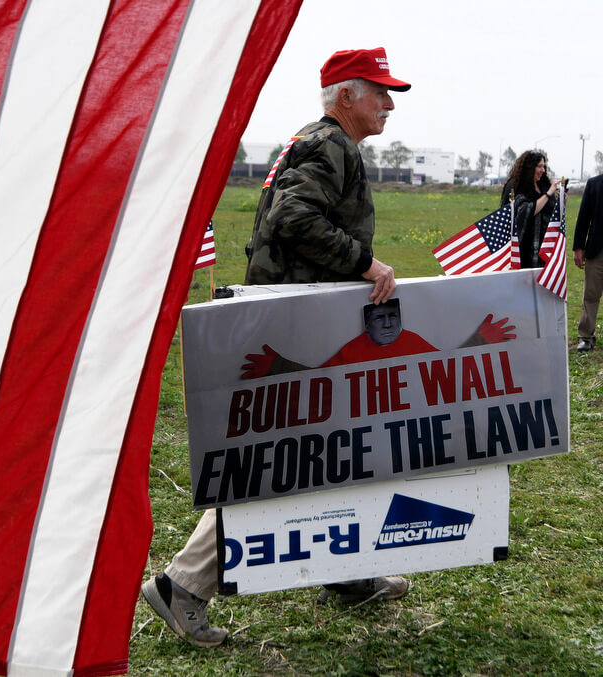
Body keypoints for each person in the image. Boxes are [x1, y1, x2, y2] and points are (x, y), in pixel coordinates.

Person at [141, 47, 411, 649]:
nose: (390, 104)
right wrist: (363, 262)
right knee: (281, 459)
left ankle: (347, 571)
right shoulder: (329, 145)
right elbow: (293, 216)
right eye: (380, 92)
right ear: (346, 97)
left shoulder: (326, 143)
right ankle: (183, 584)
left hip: (300, 318)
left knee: (335, 446)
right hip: (294, 324)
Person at [238, 301, 515, 377]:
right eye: (379, 319)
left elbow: (447, 370)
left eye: (392, 316)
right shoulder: (354, 349)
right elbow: (320, 383)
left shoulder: (413, 342)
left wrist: (482, 340)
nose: (387, 324)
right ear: (366, 325)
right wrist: (278, 366)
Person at [504, 151, 560, 269]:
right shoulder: (516, 185)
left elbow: (551, 212)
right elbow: (525, 211)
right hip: (522, 247)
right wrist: (548, 194)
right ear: (530, 167)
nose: (543, 170)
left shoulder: (543, 185)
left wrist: (561, 202)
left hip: (543, 247)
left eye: (544, 166)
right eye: (539, 166)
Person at [572, 174, 603, 351]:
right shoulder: (594, 184)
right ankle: (586, 337)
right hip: (596, 250)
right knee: (591, 294)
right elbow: (584, 217)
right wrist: (578, 247)